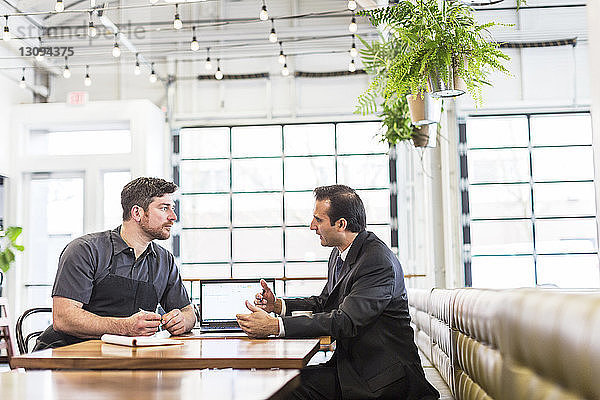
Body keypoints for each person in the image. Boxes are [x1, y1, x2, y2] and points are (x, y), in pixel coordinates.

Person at [236, 185, 439, 400]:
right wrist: (278, 306)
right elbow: (325, 303)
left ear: (341, 224)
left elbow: (346, 321)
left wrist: (274, 326)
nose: (312, 226)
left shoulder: (376, 261)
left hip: (381, 382)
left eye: (318, 220)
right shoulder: (340, 253)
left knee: (280, 391)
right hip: (350, 369)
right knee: (277, 383)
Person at [34, 177, 196, 350]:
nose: (173, 216)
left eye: (172, 208)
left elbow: (189, 312)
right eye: (164, 208)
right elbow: (64, 319)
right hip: (68, 354)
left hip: (123, 357)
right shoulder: (85, 250)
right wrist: (125, 327)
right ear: (137, 213)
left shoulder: (165, 260)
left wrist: (182, 321)